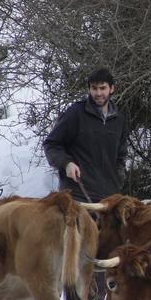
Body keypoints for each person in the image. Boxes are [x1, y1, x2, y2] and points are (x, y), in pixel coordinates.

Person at [43, 68, 128, 203]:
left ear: (111, 89)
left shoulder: (119, 120)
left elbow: (121, 155)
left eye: (102, 88)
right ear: (89, 89)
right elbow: (51, 144)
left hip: (109, 198)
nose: (98, 93)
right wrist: (67, 163)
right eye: (94, 88)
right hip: (77, 196)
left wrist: (118, 178)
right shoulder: (75, 113)